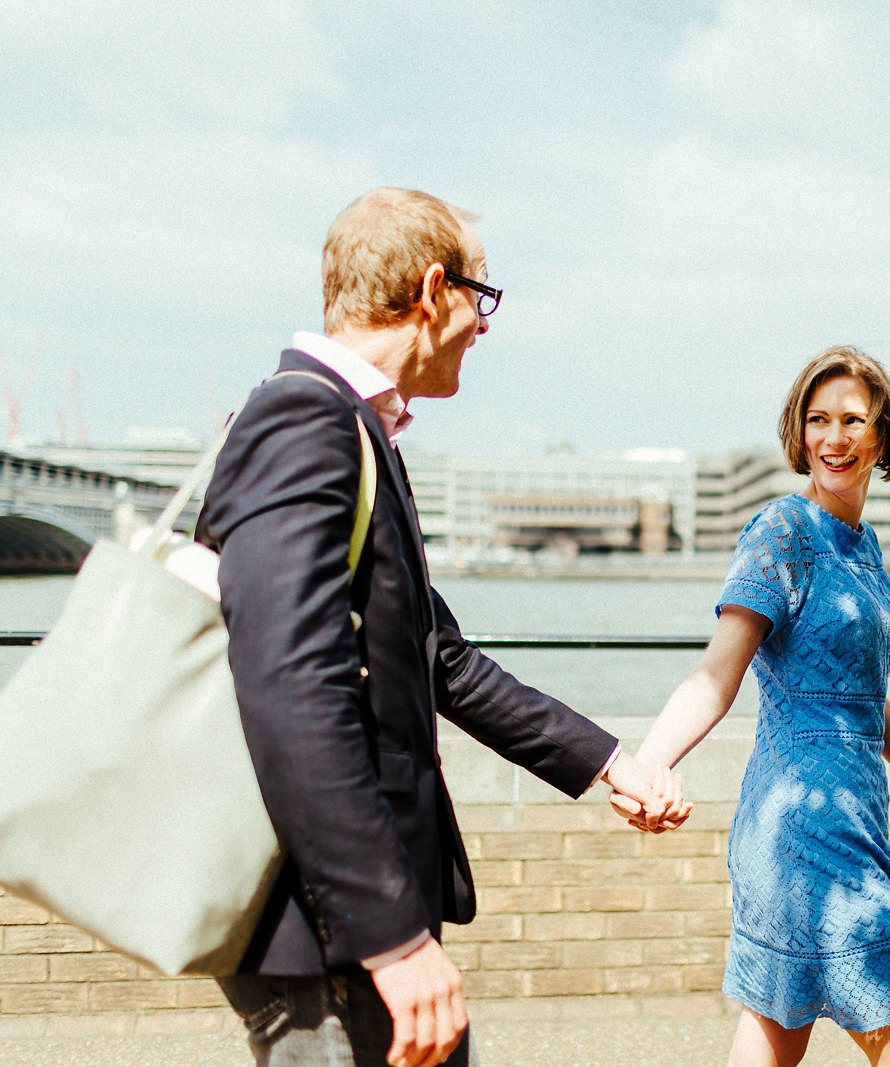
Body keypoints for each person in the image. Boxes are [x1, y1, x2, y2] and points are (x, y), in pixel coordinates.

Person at [199, 187, 688, 1067]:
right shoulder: (304, 421)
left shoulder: (344, 426)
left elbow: (440, 659)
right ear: (432, 290)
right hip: (326, 921)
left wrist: (610, 762)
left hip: (345, 908)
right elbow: (289, 685)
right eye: (481, 295)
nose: (485, 324)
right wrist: (388, 936)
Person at [617, 346, 890, 1067]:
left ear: (883, 437)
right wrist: (645, 765)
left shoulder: (863, 546)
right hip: (802, 823)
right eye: (818, 419)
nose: (835, 437)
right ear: (799, 433)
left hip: (854, 815)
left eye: (854, 420)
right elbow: (716, 674)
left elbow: (867, 700)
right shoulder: (782, 532)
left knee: (774, 1035)